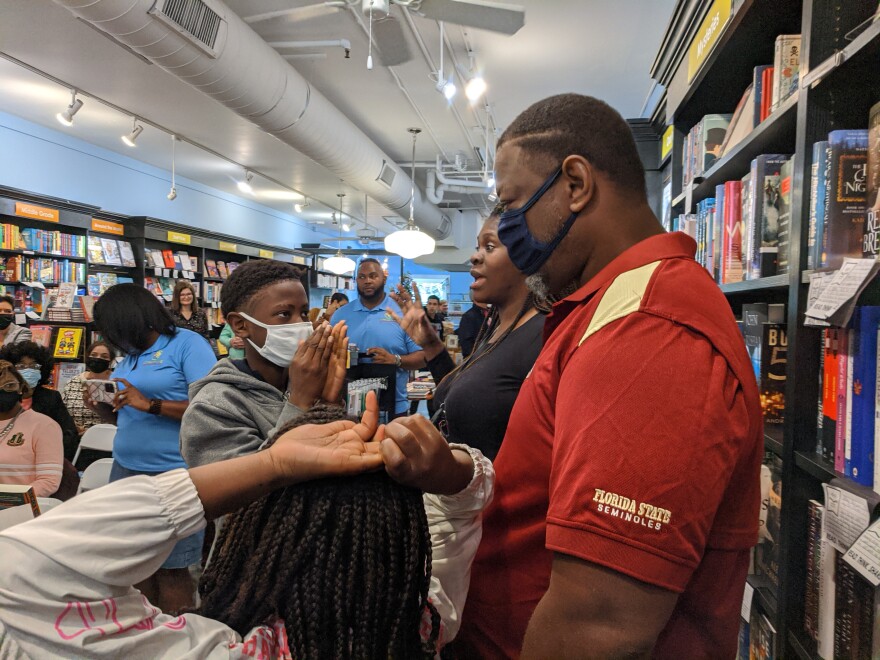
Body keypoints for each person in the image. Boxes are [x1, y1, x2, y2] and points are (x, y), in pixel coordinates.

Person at [451, 94, 763, 658]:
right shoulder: (606, 306)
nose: (511, 230)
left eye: (515, 203)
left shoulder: (648, 328)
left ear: (575, 183)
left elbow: (599, 624)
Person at [0, 393, 494, 658]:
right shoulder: (428, 623)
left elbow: (16, 569)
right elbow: (461, 509)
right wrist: (451, 473)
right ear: (405, 541)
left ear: (256, 532)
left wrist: (271, 467)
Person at [86, 283, 216, 614]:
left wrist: (152, 404)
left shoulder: (188, 345)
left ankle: (177, 638)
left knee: (172, 568)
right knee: (134, 565)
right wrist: (102, 406)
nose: (110, 338)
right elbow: (127, 413)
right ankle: (144, 635)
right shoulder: (129, 357)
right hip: (126, 470)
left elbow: (210, 408)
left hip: (173, 472)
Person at [389, 213, 544, 461]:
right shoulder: (497, 329)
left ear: (524, 256)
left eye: (490, 246)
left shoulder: (543, 334)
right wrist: (431, 345)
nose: (474, 256)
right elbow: (460, 393)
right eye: (477, 247)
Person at [181, 258, 348, 467]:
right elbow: (248, 493)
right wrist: (299, 401)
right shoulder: (212, 408)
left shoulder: (308, 380)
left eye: (304, 313)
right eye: (284, 314)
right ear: (240, 325)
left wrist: (329, 405)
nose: (301, 324)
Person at [332, 258, 425, 418]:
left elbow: (423, 358)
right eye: (361, 277)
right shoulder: (340, 315)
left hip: (393, 407)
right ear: (356, 281)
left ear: (384, 278)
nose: (367, 281)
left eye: (373, 276)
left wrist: (395, 359)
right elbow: (328, 358)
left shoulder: (401, 313)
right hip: (347, 407)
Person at [0, 341, 80, 463]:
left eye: (34, 366)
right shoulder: (4, 396)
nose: (28, 370)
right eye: (21, 366)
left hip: (43, 460)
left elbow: (69, 434)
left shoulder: (51, 397)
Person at [0, 359, 62, 497]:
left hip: (22, 509)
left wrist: (11, 501)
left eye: (9, 385)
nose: (2, 390)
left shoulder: (44, 426)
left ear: (21, 388)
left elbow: (49, 481)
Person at [61, 340, 115, 435]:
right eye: (93, 355)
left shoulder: (115, 383)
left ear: (111, 361)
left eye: (104, 356)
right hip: (75, 437)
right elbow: (63, 412)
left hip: (106, 437)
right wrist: (74, 427)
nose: (98, 359)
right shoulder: (73, 381)